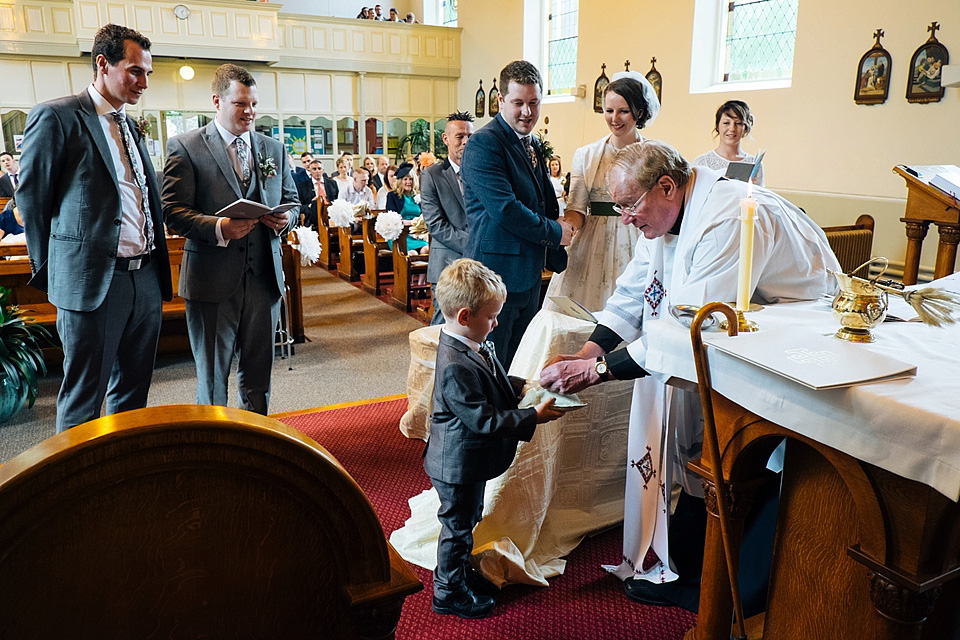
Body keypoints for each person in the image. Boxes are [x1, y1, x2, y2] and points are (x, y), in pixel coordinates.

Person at [539, 140, 839, 608]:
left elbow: (686, 331)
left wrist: (596, 371)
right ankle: (688, 559)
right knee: (698, 442)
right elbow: (633, 291)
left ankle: (735, 584)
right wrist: (587, 350)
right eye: (618, 206)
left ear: (666, 186)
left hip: (796, 337)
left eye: (629, 205)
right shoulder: (663, 214)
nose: (625, 219)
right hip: (738, 327)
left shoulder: (726, 218)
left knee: (738, 449)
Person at [18, 23, 172, 431]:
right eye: (135, 71)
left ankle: (119, 479)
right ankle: (77, 491)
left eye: (148, 74)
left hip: (146, 278)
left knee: (133, 392)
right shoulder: (59, 116)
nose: (144, 82)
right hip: (93, 283)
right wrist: (56, 273)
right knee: (85, 394)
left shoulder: (130, 125)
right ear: (103, 64)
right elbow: (31, 200)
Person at [426, 258, 561, 619]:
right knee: (457, 526)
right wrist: (533, 416)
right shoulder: (455, 363)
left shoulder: (470, 340)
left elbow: (496, 381)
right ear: (465, 315)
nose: (497, 323)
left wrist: (524, 387)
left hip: (468, 460)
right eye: (491, 317)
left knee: (468, 519)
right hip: (455, 463)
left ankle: (459, 575)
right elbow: (483, 419)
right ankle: (448, 592)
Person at [161, 63, 298, 415]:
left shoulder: (273, 148)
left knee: (258, 377)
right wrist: (219, 227)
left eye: (253, 104)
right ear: (217, 101)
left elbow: (293, 201)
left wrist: (285, 219)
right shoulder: (186, 146)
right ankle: (214, 452)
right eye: (240, 104)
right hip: (211, 280)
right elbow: (173, 211)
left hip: (263, 279)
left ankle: (254, 443)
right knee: (212, 380)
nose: (250, 112)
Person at [462, 60, 572, 369]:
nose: (527, 112)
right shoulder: (484, 143)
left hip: (529, 271)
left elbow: (540, 199)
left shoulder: (532, 142)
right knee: (491, 363)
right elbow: (505, 209)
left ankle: (513, 415)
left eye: (534, 103)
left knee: (520, 362)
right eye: (518, 103)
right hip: (495, 274)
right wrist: (555, 232)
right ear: (500, 101)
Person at [544, 71, 660, 314]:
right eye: (609, 111)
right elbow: (576, 207)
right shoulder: (586, 155)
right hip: (592, 242)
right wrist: (566, 229)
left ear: (638, 112)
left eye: (623, 111)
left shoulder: (654, 154)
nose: (615, 118)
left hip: (638, 238)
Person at [422, 111, 474, 325]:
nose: (466, 142)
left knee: (476, 328)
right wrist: (473, 243)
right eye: (460, 136)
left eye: (470, 136)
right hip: (447, 263)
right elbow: (435, 225)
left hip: (479, 265)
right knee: (443, 328)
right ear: (446, 139)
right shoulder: (432, 175)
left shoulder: (481, 172)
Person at [692, 100, 764, 187]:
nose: (732, 128)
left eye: (738, 123)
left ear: (745, 128)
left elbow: (760, 198)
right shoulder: (701, 162)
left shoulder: (754, 163)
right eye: (726, 123)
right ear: (717, 126)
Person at [386, 163, 426, 262]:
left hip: (418, 234)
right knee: (412, 253)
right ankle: (409, 278)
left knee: (426, 250)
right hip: (401, 235)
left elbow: (425, 215)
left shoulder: (419, 196)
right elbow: (392, 218)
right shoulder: (392, 196)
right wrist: (411, 223)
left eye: (411, 179)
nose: (408, 182)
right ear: (400, 181)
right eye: (405, 179)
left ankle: (423, 278)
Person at [296, 159, 338, 228]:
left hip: (331, 213)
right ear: (310, 171)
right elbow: (299, 207)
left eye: (319, 168)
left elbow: (336, 200)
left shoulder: (332, 183)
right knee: (316, 204)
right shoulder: (302, 186)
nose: (317, 171)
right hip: (313, 215)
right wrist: (310, 205)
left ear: (323, 170)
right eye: (314, 169)